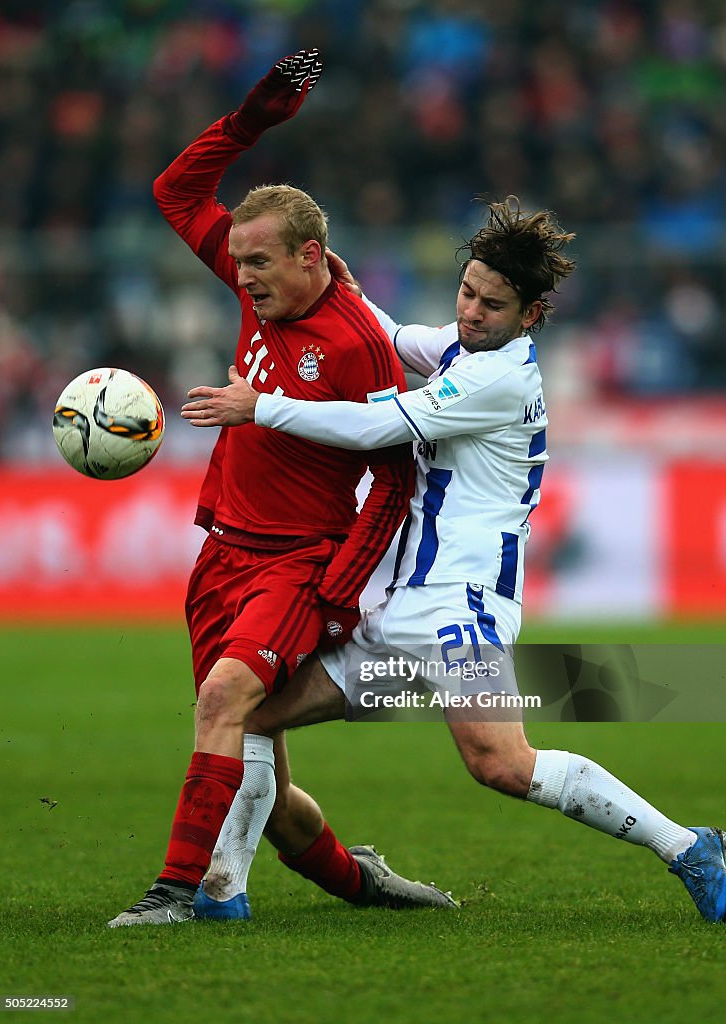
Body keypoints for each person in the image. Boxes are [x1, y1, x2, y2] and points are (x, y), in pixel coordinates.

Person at [180, 195, 726, 924]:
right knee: (250, 715)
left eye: (492, 304)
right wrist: (342, 295)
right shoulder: (465, 348)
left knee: (500, 764)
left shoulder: (499, 379)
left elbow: (378, 421)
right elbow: (396, 337)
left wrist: (261, 407)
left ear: (530, 314)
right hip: (397, 611)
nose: (472, 312)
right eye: (467, 293)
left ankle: (686, 846)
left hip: (461, 607)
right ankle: (222, 893)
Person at [108, 50, 456, 927]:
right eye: (239, 261)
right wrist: (250, 121)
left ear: (313, 256)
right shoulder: (259, 290)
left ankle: (175, 896)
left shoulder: (354, 347)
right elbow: (175, 196)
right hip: (222, 554)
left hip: (296, 568)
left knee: (225, 704)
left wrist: (341, 592)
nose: (243, 275)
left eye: (259, 261)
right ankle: (366, 883)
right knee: (256, 775)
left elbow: (395, 474)